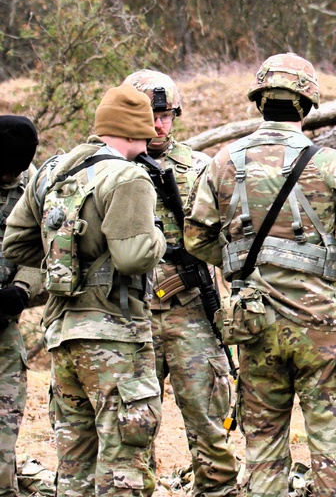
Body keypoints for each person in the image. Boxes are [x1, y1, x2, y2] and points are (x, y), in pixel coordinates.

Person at [183, 53, 336, 497]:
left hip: (253, 322)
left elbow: (196, 238)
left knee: (264, 447)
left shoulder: (222, 162)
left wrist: (239, 262)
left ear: (259, 101)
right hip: (319, 325)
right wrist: (323, 264)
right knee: (333, 444)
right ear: (307, 103)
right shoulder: (334, 164)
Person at [2, 85, 167, 496]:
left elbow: (16, 244)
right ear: (136, 132)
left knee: (74, 465)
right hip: (115, 336)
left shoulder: (52, 171)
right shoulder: (129, 176)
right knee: (124, 465)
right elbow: (133, 257)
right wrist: (158, 238)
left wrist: (62, 263)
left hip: (61, 335)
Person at [124, 69, 239, 496]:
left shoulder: (201, 167)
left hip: (190, 309)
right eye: (148, 114)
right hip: (129, 312)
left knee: (208, 416)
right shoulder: (111, 166)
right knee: (131, 425)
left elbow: (230, 237)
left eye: (165, 115)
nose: (157, 124)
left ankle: (216, 488)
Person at [0, 116, 42, 497]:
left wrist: (24, 288)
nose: (10, 177)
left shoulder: (33, 185)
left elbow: (48, 248)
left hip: (4, 329)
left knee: (3, 437)